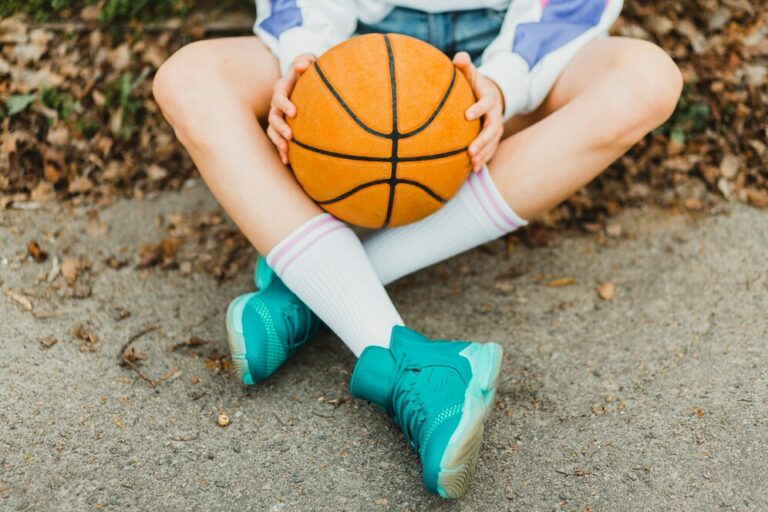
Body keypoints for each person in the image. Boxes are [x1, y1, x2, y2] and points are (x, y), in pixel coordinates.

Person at [153, 0, 682, 499]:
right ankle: (416, 367)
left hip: (507, 40)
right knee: (188, 80)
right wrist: (305, 60)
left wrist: (503, 80)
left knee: (646, 81)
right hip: (355, 41)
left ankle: (316, 290)